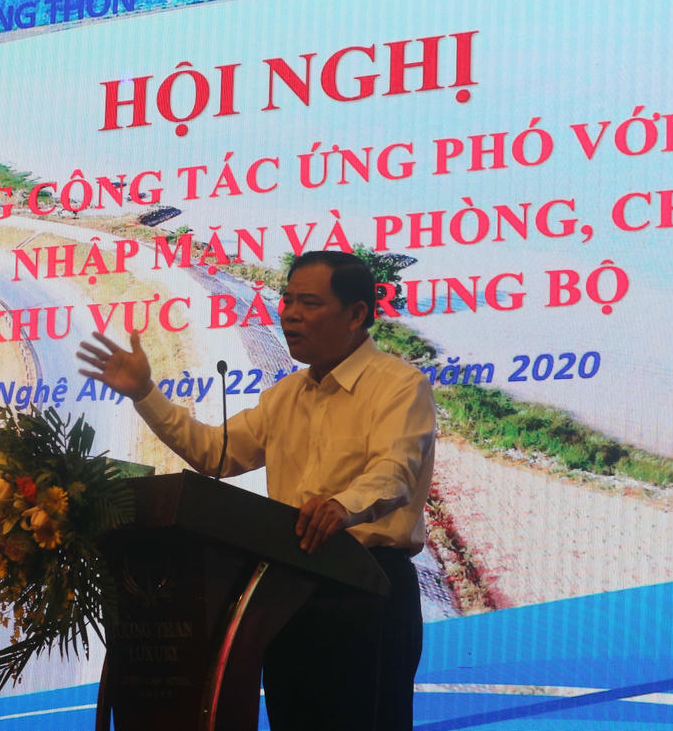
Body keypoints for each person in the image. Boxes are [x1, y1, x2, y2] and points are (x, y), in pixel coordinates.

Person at [77, 250, 435, 730]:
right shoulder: (285, 396)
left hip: (366, 589)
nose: (290, 314)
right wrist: (146, 393)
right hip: (284, 594)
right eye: (287, 301)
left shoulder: (399, 385)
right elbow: (214, 453)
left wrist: (342, 507)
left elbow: (396, 471)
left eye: (309, 303)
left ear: (356, 314)